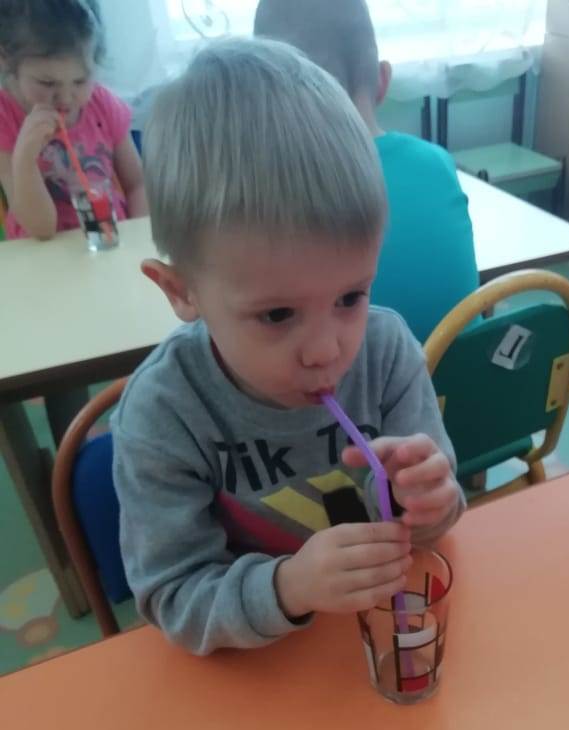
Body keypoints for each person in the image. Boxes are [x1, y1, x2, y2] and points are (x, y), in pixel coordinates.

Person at [111, 37, 465, 654]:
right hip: (259, 664)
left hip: (371, 640)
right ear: (181, 291)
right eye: (277, 314)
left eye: (351, 296)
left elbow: (437, 522)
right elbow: (173, 597)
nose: (326, 351)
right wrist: (289, 587)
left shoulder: (385, 352)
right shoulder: (164, 413)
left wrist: (431, 500)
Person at [254, 0, 479, 342]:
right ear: (383, 80)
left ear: (267, 97)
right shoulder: (438, 163)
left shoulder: (267, 193)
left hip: (355, 379)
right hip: (466, 376)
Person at [0, 0, 147, 241]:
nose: (66, 98)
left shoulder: (102, 104)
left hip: (109, 243)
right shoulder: (4, 118)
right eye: (47, 83)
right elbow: (41, 229)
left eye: (80, 81)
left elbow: (137, 184)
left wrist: (139, 234)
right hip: (44, 254)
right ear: (5, 59)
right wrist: (25, 159)